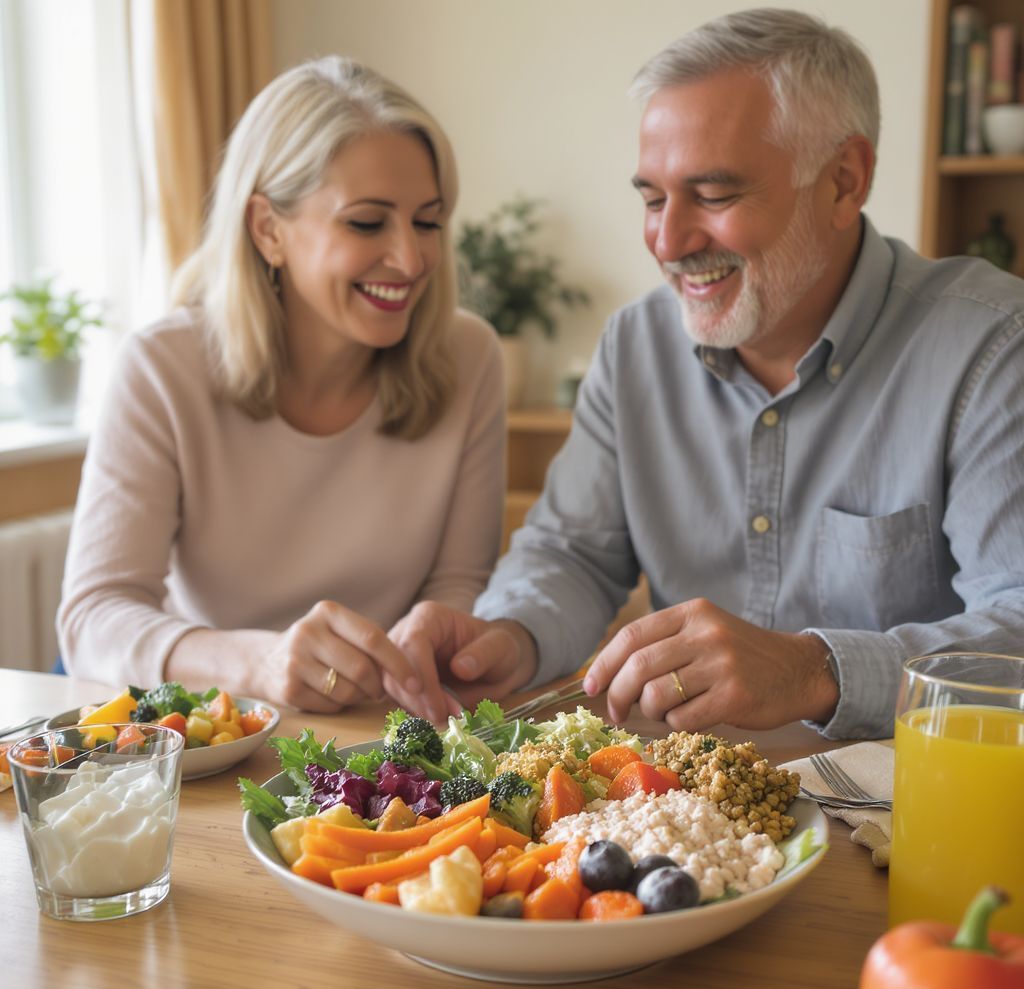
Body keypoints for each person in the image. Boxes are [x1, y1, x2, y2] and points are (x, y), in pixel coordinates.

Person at [386, 8, 1024, 740]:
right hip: (688, 816)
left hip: (906, 817)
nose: (667, 239)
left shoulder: (994, 346)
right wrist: (509, 634)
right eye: (652, 199)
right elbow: (572, 552)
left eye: (714, 196)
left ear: (845, 181)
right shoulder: (634, 344)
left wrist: (813, 669)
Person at [58, 58, 505, 717]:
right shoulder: (162, 366)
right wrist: (257, 663)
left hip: (376, 732)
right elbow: (93, 617)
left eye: (428, 222)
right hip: (214, 728)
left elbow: (458, 585)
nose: (411, 260)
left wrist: (421, 658)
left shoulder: (469, 357)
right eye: (366, 222)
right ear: (268, 228)